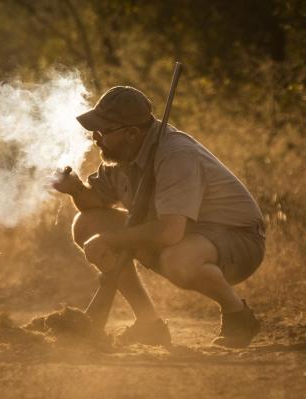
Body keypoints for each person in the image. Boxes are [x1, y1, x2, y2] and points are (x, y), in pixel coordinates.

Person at [52, 86, 266, 348]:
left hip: (238, 240)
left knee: (177, 259)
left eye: (104, 131)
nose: (96, 137)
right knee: (87, 224)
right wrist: (74, 187)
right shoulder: (122, 154)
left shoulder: (175, 154)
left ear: (131, 133)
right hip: (189, 234)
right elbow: (94, 202)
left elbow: (169, 233)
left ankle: (238, 315)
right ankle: (148, 323)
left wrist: (110, 239)